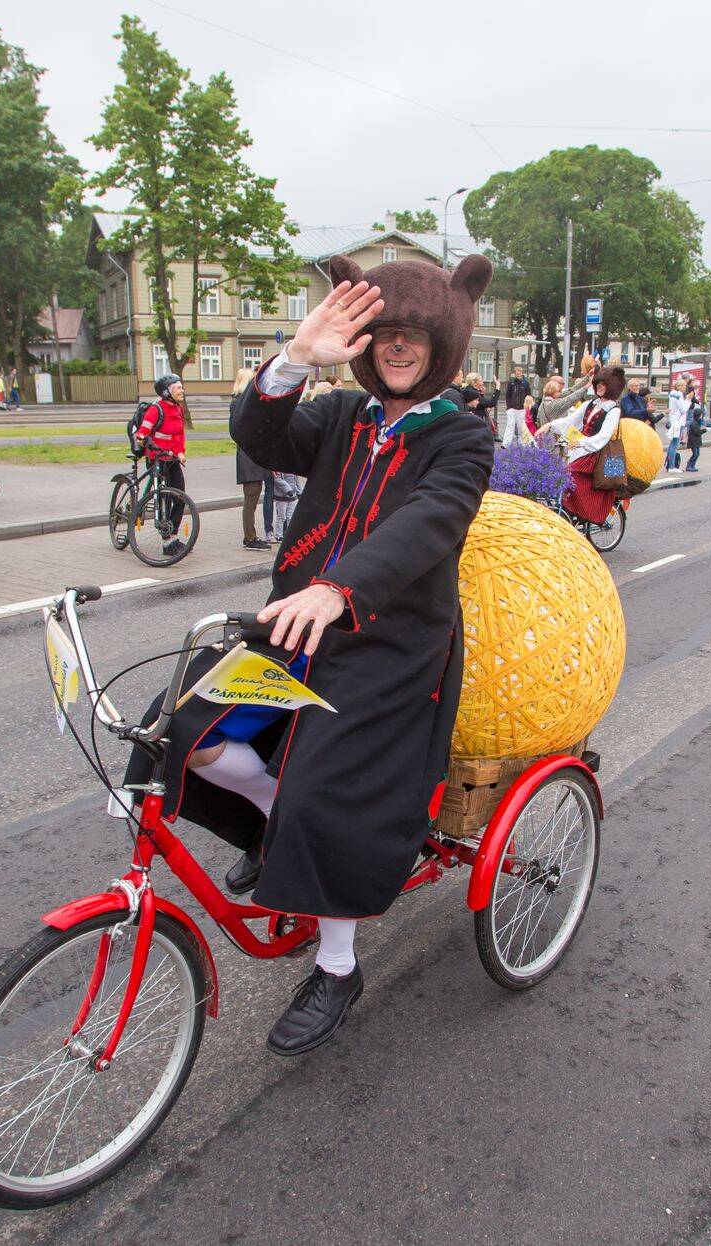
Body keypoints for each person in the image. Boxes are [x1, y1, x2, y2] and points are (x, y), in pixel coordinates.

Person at [129, 258, 495, 1057]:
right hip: (294, 627)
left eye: (415, 334)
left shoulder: (462, 435)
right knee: (183, 726)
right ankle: (274, 820)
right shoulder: (339, 416)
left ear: (442, 345)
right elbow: (259, 438)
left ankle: (337, 965)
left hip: (390, 647)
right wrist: (295, 358)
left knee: (324, 783)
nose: (398, 347)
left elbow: (431, 520)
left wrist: (338, 589)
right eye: (384, 333)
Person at [547, 363, 627, 519]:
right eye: (598, 383)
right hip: (579, 451)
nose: (599, 387)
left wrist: (582, 442)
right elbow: (570, 421)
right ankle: (567, 513)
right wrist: (550, 425)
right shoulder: (590, 404)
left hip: (595, 454)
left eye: (604, 384)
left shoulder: (613, 410)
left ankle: (581, 514)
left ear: (612, 387)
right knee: (558, 473)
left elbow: (604, 436)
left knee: (572, 475)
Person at [138, 374, 192, 557]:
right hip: (157, 459)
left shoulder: (178, 408)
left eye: (181, 387)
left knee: (180, 497)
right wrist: (143, 439)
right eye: (178, 387)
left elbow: (180, 434)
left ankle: (174, 536)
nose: (182, 390)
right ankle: (166, 542)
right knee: (165, 499)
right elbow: (142, 432)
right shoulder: (156, 409)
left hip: (173, 459)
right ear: (167, 391)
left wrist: (181, 452)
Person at [232, 366, 274, 551]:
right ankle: (250, 537)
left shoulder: (243, 402)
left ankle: (250, 536)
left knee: (254, 497)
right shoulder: (239, 403)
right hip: (249, 457)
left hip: (253, 457)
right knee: (251, 498)